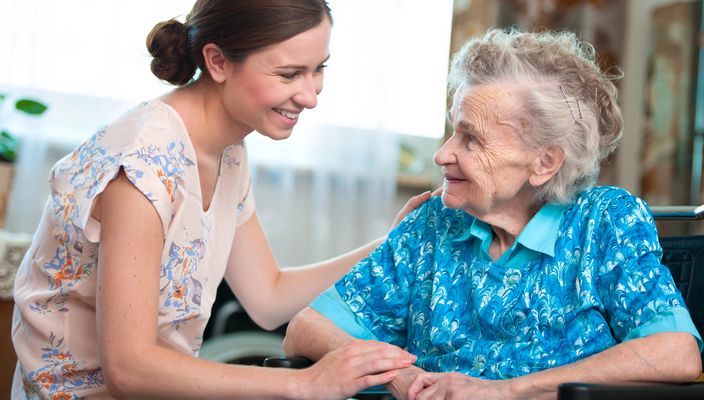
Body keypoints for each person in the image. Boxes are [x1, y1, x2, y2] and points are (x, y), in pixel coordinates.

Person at [10, 1, 425, 398]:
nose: (311, 95)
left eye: (318, 70)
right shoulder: (142, 166)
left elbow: (268, 297)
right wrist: (306, 382)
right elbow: (128, 370)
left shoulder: (227, 149)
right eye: (288, 74)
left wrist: (392, 244)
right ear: (218, 61)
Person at [283, 27, 704, 400]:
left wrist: (507, 392)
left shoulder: (605, 221)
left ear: (544, 163)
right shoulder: (435, 222)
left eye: (471, 138)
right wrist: (403, 377)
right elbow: (306, 328)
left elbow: (673, 351)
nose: (442, 154)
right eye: (453, 130)